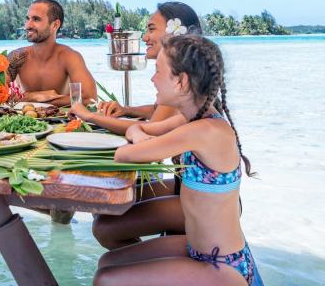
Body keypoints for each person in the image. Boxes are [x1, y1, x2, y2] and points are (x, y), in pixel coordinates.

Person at [94, 35, 261, 286]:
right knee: (107, 263)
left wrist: (136, 132)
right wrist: (139, 132)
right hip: (198, 250)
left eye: (158, 71)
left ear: (181, 81)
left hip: (222, 264)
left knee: (106, 279)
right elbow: (149, 133)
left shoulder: (205, 131)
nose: (153, 79)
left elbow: (125, 154)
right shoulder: (192, 120)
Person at [70, 1, 201, 249]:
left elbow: (153, 125)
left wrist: (90, 116)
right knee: (107, 208)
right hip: (188, 183)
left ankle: (146, 264)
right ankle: (150, 261)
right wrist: (128, 111)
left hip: (197, 196)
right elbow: (159, 115)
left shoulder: (184, 87)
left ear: (174, 32)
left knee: (104, 225)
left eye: (151, 29)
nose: (145, 36)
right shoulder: (190, 82)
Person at [7, 0, 96, 107]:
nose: (27, 26)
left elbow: (89, 99)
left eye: (36, 19)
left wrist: (33, 100)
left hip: (61, 122)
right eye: (28, 19)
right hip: (25, 120)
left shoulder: (69, 57)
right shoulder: (17, 56)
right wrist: (35, 96)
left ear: (55, 25)